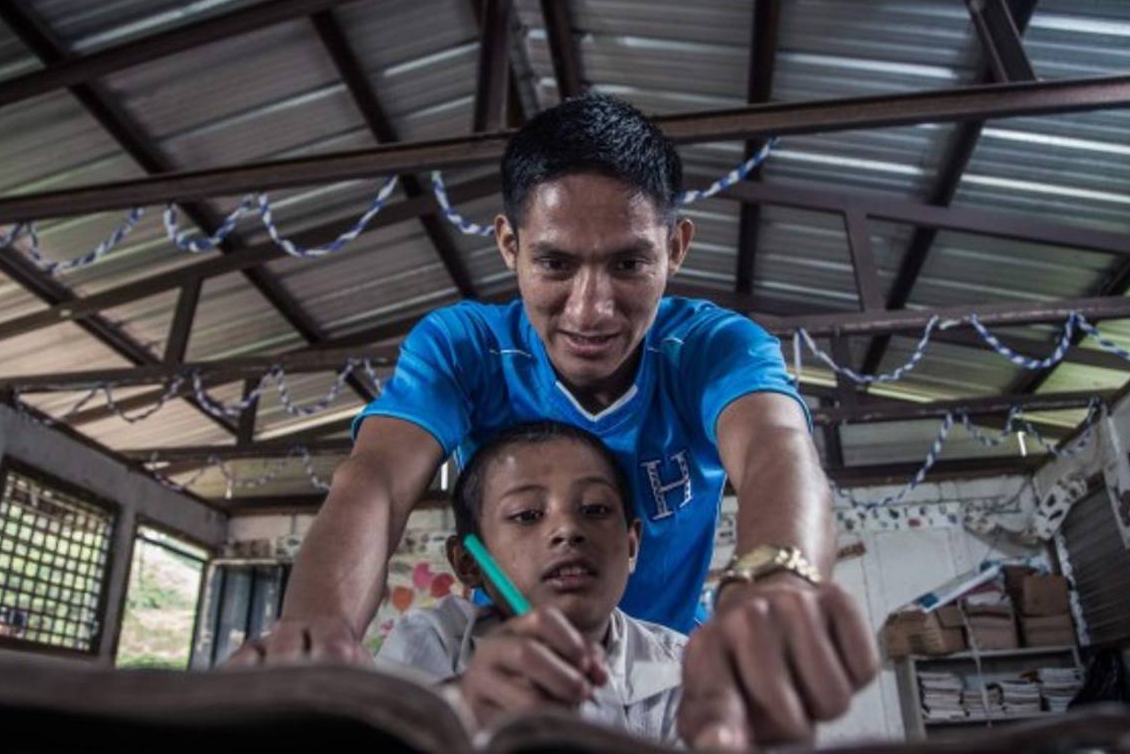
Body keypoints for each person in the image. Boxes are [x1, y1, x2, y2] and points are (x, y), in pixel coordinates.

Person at [229, 93, 879, 748]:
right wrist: (316, 635)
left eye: (629, 263)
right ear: (509, 245)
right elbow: (375, 478)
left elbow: (777, 448)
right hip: (506, 670)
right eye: (555, 264)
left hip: (667, 682)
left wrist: (776, 578)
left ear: (675, 247)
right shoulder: (464, 348)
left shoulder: (713, 348)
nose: (591, 310)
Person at [375, 421, 684, 744]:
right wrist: (458, 708)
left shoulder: (681, 670)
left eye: (595, 509)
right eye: (526, 515)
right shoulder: (435, 642)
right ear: (469, 562)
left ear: (632, 546)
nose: (568, 529)